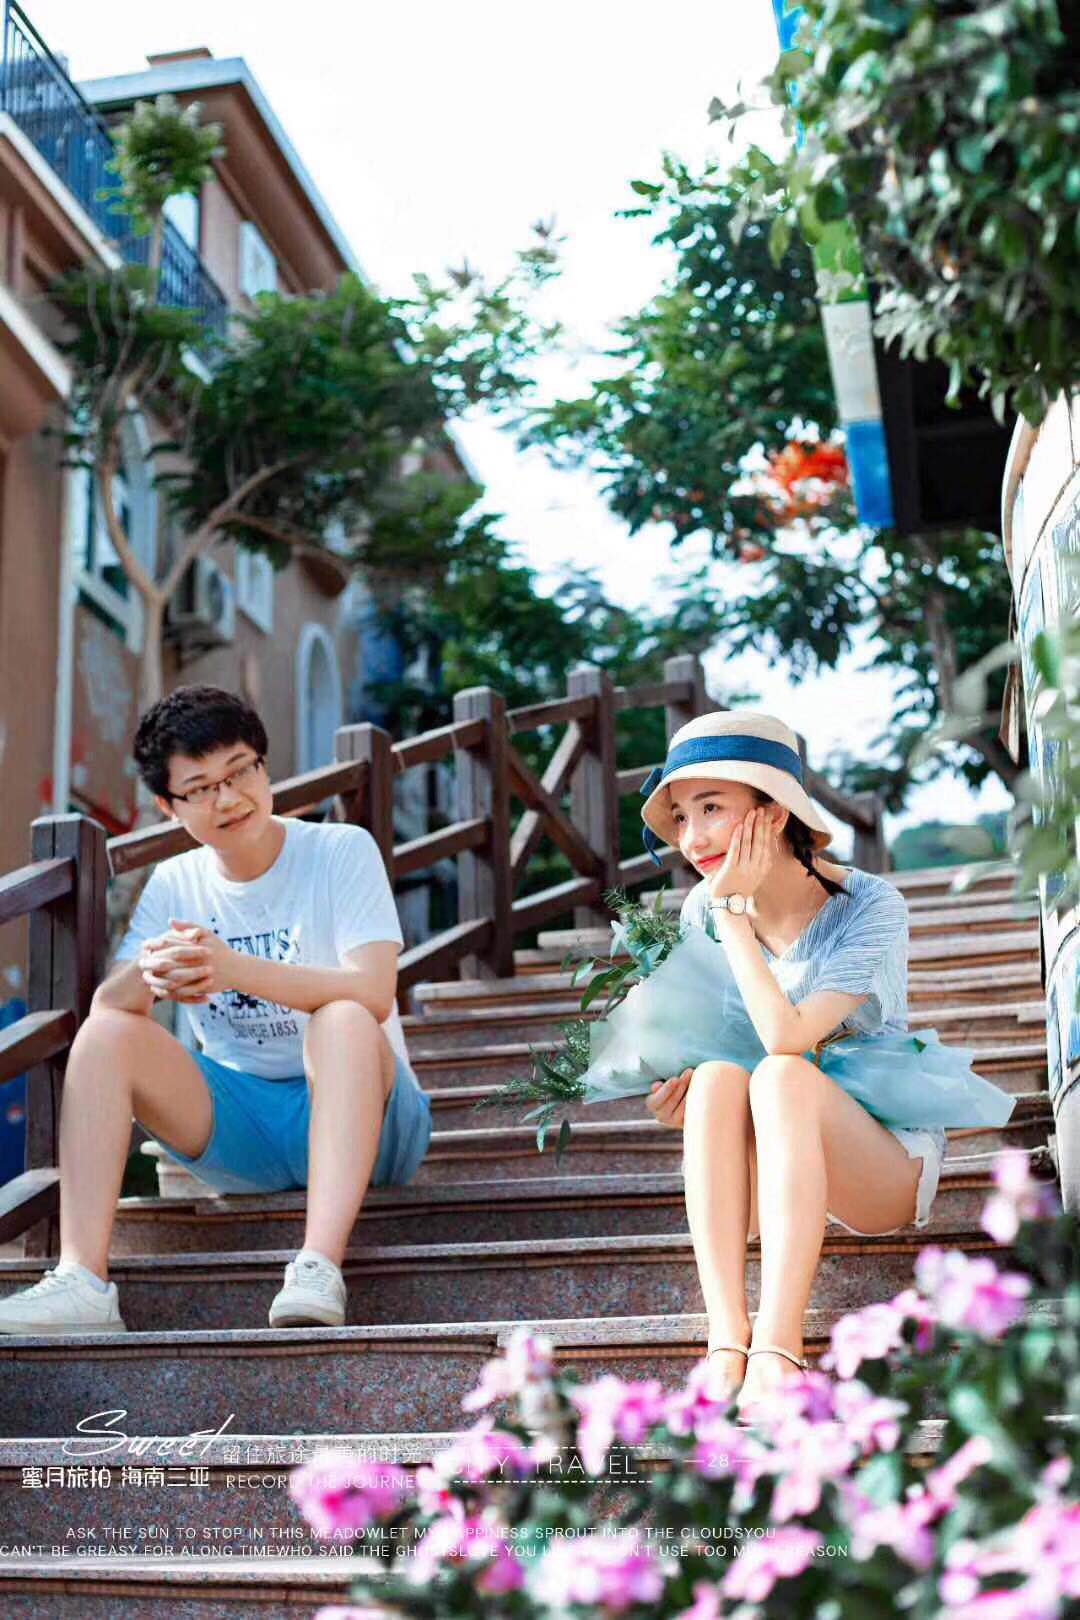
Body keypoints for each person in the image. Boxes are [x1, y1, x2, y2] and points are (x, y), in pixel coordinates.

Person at [0, 685, 431, 1335]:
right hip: (247, 1131)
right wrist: (151, 972)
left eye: (239, 772)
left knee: (342, 1016)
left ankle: (318, 1266)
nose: (227, 799)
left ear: (264, 765)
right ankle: (83, 1281)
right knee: (108, 1031)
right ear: (168, 806)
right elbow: (108, 1003)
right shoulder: (176, 881)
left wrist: (230, 968)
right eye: (200, 788)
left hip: (373, 1117)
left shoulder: (340, 849)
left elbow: (373, 992)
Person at [640, 710, 952, 1413]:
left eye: (712, 809)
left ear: (774, 812)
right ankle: (727, 1338)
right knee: (717, 1078)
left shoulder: (870, 904)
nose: (692, 839)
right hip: (769, 1168)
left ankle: (778, 1347)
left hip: (879, 1159)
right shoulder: (700, 909)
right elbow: (716, 1049)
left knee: (782, 1072)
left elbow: (788, 1038)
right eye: (682, 816)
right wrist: (676, 1102)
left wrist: (732, 914)